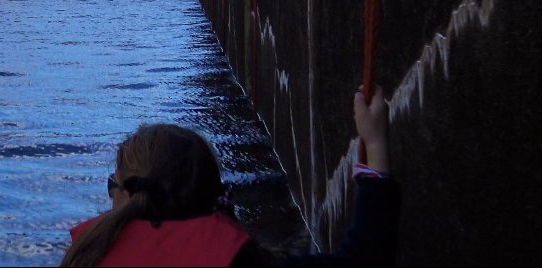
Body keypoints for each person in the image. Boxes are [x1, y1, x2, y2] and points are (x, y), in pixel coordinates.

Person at [60, 85, 400, 267]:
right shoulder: (239, 263)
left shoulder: (85, 256)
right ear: (214, 197)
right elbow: (367, 259)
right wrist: (375, 143)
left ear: (127, 195)